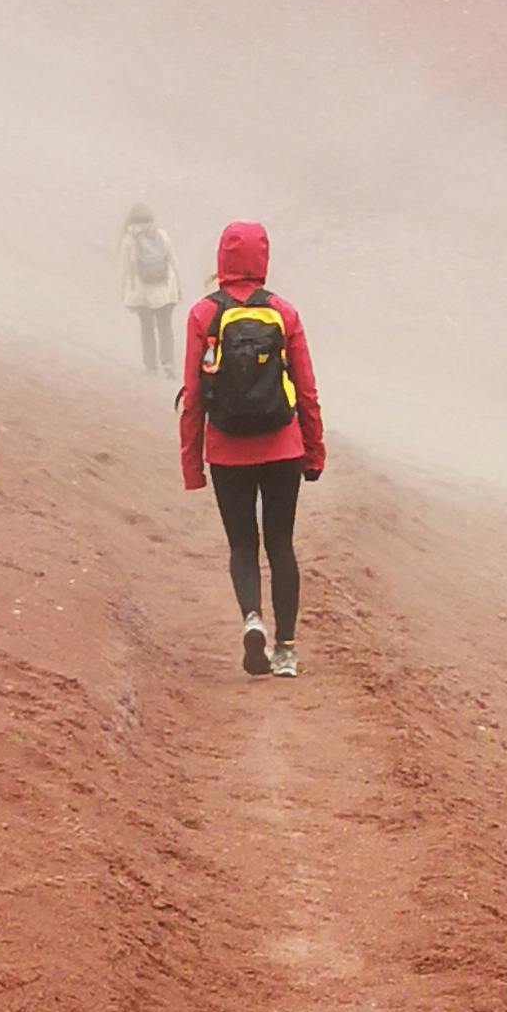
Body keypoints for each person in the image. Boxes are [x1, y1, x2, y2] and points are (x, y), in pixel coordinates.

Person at [177, 216, 325, 677]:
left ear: (222, 257)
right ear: (263, 258)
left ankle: (251, 619)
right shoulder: (284, 312)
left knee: (243, 544)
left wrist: (193, 467)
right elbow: (306, 390)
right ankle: (285, 649)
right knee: (281, 544)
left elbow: (193, 395)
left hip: (226, 450)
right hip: (283, 447)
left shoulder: (204, 314)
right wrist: (314, 451)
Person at [118, 203, 179, 376]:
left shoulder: (129, 239)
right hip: (165, 290)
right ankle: (168, 363)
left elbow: (124, 269)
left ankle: (151, 366)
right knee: (165, 326)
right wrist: (178, 288)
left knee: (147, 327)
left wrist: (124, 292)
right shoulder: (162, 235)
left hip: (142, 292)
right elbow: (173, 261)